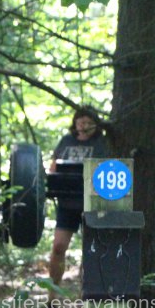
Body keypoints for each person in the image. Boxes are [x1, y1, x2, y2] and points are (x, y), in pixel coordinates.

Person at [48, 106, 109, 288]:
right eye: (81, 122)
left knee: (91, 250)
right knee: (58, 247)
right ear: (75, 123)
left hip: (93, 203)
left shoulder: (103, 143)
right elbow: (54, 167)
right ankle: (53, 291)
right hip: (67, 202)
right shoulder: (66, 141)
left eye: (90, 123)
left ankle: (87, 293)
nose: (85, 126)